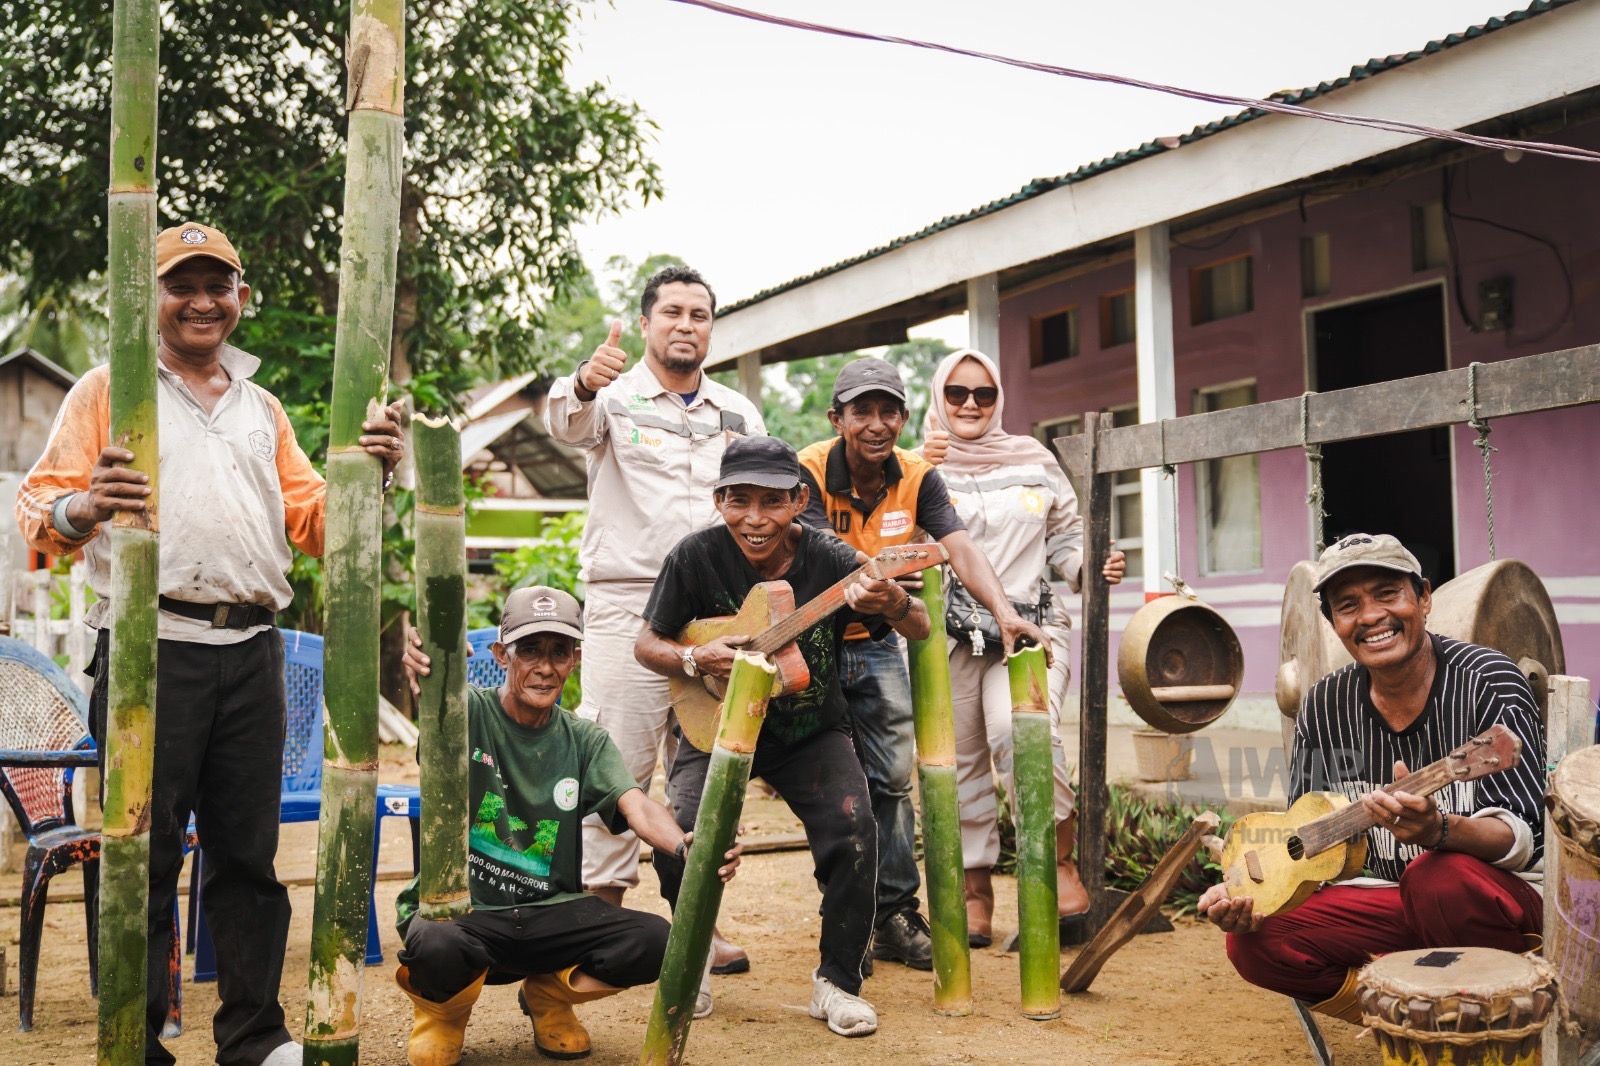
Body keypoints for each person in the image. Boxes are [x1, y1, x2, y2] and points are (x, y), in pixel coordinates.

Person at [14, 223, 405, 1066]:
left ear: (240, 298)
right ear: (151, 300)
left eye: (217, 285)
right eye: (181, 285)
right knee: (142, 855)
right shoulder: (109, 387)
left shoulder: (263, 407)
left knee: (248, 859)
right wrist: (87, 505)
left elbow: (316, 526)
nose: (201, 301)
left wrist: (372, 474)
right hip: (148, 651)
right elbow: (38, 509)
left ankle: (254, 1039)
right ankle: (138, 1041)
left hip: (252, 649)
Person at [634, 435, 932, 1037]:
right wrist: (697, 659)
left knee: (855, 826)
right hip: (714, 727)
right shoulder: (693, 557)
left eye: (772, 501)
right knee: (679, 835)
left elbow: (919, 626)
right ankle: (692, 964)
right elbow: (646, 644)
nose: (755, 518)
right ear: (718, 499)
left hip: (809, 730)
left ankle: (838, 982)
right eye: (738, 500)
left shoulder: (832, 559)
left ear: (799, 500)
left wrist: (893, 594)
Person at [1197, 533, 1547, 1023]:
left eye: (1388, 593)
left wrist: (1440, 832)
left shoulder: (1487, 680)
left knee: (1436, 877)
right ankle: (1409, 1024)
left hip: (1496, 904)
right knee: (1254, 942)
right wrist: (1246, 893)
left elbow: (1525, 840)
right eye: (1348, 605)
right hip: (1388, 901)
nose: (1370, 616)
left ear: (1424, 598)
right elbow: (1307, 845)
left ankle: (1498, 1022)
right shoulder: (1323, 705)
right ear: (1333, 624)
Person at [396, 586, 741, 1064]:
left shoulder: (584, 739)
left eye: (559, 652)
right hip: (468, 914)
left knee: (657, 941)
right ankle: (444, 1016)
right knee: (435, 941)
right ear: (501, 655)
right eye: (529, 650)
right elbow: (432, 694)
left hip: (549, 914)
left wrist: (688, 847)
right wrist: (426, 671)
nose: (545, 666)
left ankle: (549, 995)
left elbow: (635, 804)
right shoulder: (467, 711)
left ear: (575, 660)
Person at [794, 356, 1048, 970]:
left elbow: (960, 546)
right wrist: (871, 572)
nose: (876, 424)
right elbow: (807, 550)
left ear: (905, 418)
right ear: (838, 419)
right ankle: (844, 912)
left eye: (888, 411)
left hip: (881, 641)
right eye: (862, 412)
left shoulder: (919, 476)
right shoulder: (803, 469)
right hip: (810, 642)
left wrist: (1005, 611)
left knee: (890, 780)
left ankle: (895, 914)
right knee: (822, 782)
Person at [543, 265, 762, 972]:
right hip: (625, 608)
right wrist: (581, 380)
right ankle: (591, 929)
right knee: (615, 768)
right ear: (645, 325)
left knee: (700, 776)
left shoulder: (737, 412)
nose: (686, 325)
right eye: (671, 312)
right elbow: (566, 423)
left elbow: (767, 493)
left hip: (711, 619)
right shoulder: (613, 395)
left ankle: (696, 926)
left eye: (699, 314)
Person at [918, 349, 1126, 946]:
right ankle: (976, 890)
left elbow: (1065, 537)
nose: (970, 405)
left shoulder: (1033, 458)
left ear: (999, 399)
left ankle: (1057, 862)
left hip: (1030, 625)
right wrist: (913, 472)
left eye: (983, 394)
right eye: (956, 393)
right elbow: (894, 539)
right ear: (940, 397)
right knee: (956, 763)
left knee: (1021, 729)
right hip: (947, 634)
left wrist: (1091, 565)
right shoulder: (917, 463)